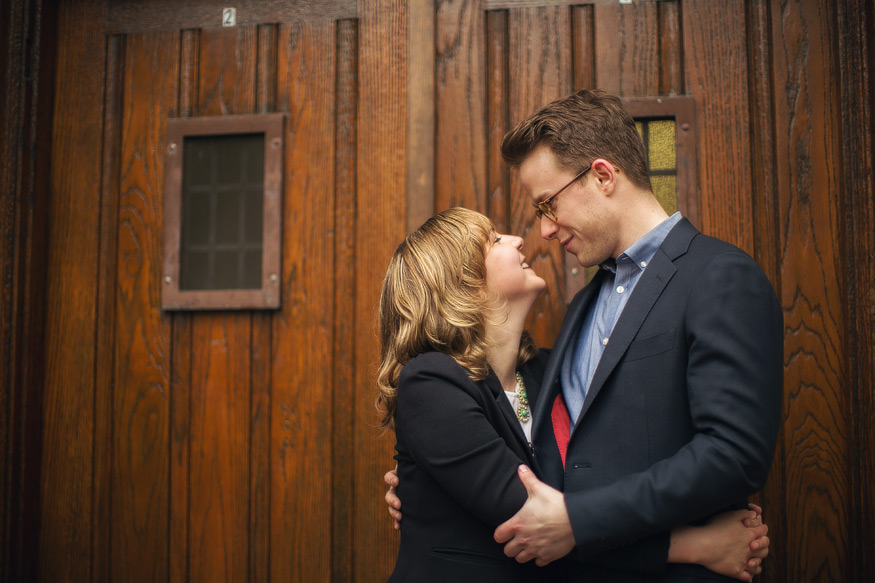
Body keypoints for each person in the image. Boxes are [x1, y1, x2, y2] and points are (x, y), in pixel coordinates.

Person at [378, 207, 770, 583]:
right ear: (462, 284)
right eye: (494, 241)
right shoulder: (430, 381)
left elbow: (574, 503)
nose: (518, 240)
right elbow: (537, 520)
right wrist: (694, 546)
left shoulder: (549, 374)